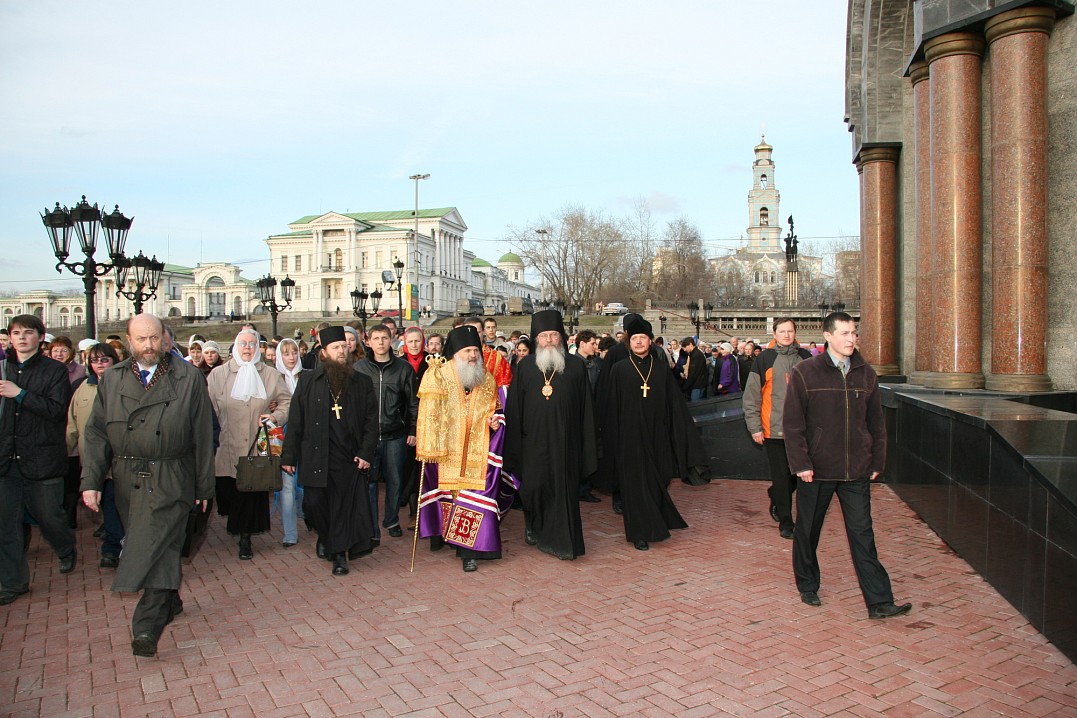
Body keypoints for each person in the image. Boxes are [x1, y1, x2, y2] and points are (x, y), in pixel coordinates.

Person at [80, 314, 215, 657]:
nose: (149, 345)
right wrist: (91, 480)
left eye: (155, 338)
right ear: (129, 341)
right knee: (150, 542)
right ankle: (170, 600)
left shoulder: (188, 378)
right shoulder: (113, 378)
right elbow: (96, 433)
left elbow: (202, 435)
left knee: (161, 544)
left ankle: (146, 625)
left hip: (172, 474)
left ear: (165, 338)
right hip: (128, 479)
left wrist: (204, 488)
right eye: (141, 339)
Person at [783, 312, 912, 619]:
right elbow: (793, 423)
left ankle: (879, 602)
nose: (851, 339)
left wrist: (877, 459)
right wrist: (801, 463)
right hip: (816, 470)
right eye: (844, 333)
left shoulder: (866, 374)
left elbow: (877, 423)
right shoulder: (806, 372)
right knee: (808, 530)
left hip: (856, 470)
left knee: (863, 535)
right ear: (827, 336)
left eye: (854, 333)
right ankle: (808, 585)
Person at [416, 325, 519, 572]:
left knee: (472, 499)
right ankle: (441, 535)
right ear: (455, 353)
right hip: (445, 453)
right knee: (445, 496)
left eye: (475, 350)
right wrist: (429, 445)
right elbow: (428, 414)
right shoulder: (438, 375)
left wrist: (496, 421)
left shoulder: (487, 378)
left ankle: (468, 551)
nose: (473, 355)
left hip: (477, 451)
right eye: (467, 351)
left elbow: (498, 409)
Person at [602, 318, 708, 550]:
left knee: (659, 478)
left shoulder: (660, 369)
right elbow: (611, 407)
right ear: (629, 342)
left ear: (650, 341)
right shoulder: (619, 369)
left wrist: (679, 434)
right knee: (635, 485)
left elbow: (674, 405)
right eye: (634, 339)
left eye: (643, 338)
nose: (639, 342)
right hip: (629, 438)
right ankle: (639, 532)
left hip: (658, 435)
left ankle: (658, 516)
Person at [281, 327, 379, 575]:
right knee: (314, 504)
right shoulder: (308, 382)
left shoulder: (361, 382)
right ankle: (325, 536)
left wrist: (366, 452)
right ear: (323, 353)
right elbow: (296, 420)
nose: (342, 351)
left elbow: (371, 421)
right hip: (316, 455)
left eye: (344, 347)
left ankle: (338, 554)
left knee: (342, 506)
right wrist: (288, 456)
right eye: (336, 348)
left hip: (348, 457)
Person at [504, 310, 596, 560]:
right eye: (544, 336)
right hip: (532, 442)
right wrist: (514, 445)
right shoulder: (525, 367)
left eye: (553, 335)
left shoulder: (576, 366)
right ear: (536, 339)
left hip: (566, 443)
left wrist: (587, 445)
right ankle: (533, 524)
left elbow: (587, 409)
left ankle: (562, 541)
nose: (549, 341)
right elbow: (515, 408)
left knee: (563, 491)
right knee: (534, 489)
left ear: (561, 337)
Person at [0, 314, 76, 605]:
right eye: (16, 333)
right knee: (6, 525)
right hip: (6, 459)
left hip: (41, 457)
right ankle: (13, 582)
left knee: (49, 516)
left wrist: (19, 394)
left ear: (40, 337)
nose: (21, 338)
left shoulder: (54, 370)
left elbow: (56, 410)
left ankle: (65, 546)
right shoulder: (3, 368)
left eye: (28, 332)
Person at [207, 328, 291, 560]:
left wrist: (274, 417)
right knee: (229, 492)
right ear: (235, 346)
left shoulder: (270, 375)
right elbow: (208, 408)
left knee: (250, 492)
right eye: (243, 343)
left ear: (258, 348)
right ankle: (237, 524)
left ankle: (246, 538)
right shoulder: (218, 374)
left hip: (257, 444)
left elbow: (287, 402)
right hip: (226, 443)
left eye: (252, 344)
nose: (247, 348)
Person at [742, 319, 811, 540]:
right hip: (773, 429)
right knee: (781, 476)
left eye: (790, 331)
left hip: (802, 431)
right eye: (782, 331)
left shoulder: (806, 358)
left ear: (795, 333)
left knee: (799, 475)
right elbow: (752, 395)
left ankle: (776, 494)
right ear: (774, 334)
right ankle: (786, 521)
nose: (787, 335)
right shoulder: (765, 359)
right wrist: (755, 427)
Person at [353, 324, 417, 542]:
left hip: (395, 434)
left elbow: (413, 403)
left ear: (392, 340)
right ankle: (371, 526)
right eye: (376, 338)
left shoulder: (403, 369)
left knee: (395, 480)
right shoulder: (359, 369)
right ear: (368, 341)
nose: (380, 342)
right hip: (368, 436)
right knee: (369, 482)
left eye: (384, 338)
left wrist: (413, 428)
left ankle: (391, 520)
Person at [67, 341, 125, 567]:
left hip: (119, 460)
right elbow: (72, 425)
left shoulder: (125, 385)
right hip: (92, 461)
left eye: (104, 359)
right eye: (94, 360)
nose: (99, 364)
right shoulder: (82, 388)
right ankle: (113, 545)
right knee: (105, 504)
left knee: (113, 503)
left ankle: (114, 548)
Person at [273, 338, 304, 547]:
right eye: (286, 353)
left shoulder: (307, 376)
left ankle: (305, 512)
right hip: (283, 435)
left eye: (294, 352)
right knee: (287, 486)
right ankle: (290, 533)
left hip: (306, 434)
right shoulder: (273, 378)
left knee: (304, 484)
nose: (291, 357)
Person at [574, 330, 602, 504]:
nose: (595, 347)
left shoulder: (595, 364)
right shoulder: (572, 364)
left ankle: (586, 487)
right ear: (582, 344)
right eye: (592, 343)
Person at [679, 337, 708, 402]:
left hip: (697, 385)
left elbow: (693, 373)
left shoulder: (696, 355)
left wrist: (685, 386)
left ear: (690, 344)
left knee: (695, 404)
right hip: (698, 383)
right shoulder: (695, 354)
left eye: (685, 347)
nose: (684, 350)